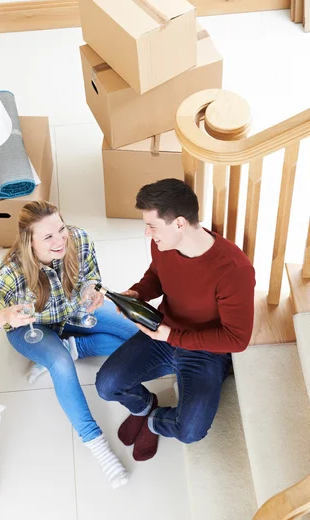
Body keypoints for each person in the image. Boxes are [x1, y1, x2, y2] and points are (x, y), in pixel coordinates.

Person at [0, 200, 138, 488]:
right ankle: (97, 446)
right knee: (60, 365)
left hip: (72, 312)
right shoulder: (11, 271)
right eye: (48, 237)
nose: (60, 240)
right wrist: (6, 315)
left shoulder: (79, 238)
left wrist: (91, 290)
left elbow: (93, 277)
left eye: (60, 229)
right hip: (33, 328)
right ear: (29, 241)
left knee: (133, 335)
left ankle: (76, 348)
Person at [96, 178, 255, 462]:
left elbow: (237, 339)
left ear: (179, 223)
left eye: (152, 225)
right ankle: (144, 407)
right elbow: (157, 275)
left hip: (206, 351)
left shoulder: (234, 270)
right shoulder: (164, 244)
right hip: (163, 332)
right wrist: (138, 292)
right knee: (107, 385)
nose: (147, 233)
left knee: (190, 431)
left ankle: (156, 421)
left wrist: (173, 337)